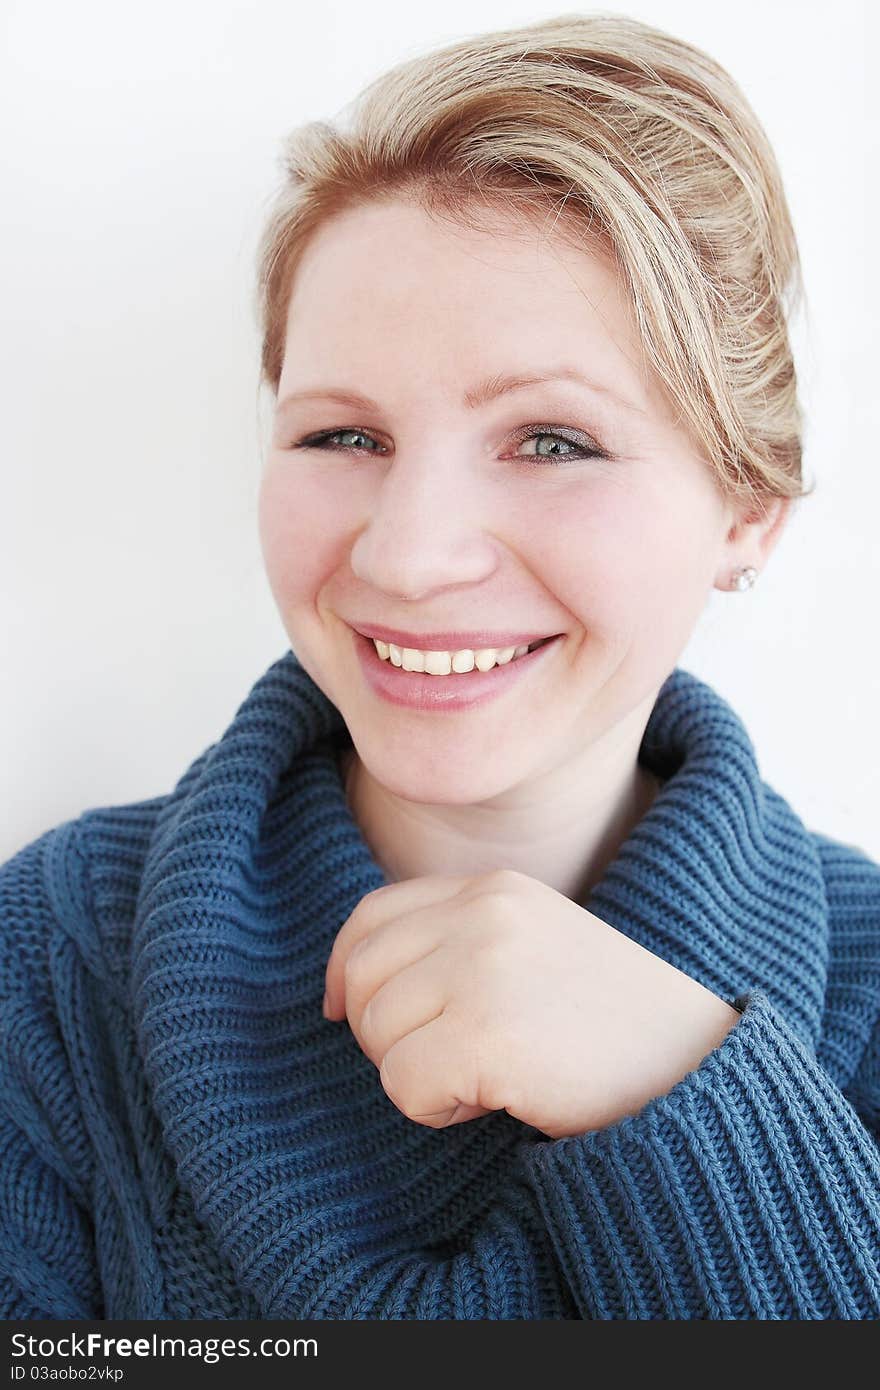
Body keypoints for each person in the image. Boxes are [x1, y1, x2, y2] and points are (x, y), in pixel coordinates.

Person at [2, 12, 878, 1321]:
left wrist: (684, 1088)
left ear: (747, 510)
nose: (408, 557)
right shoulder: (59, 957)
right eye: (344, 433)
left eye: (552, 441)